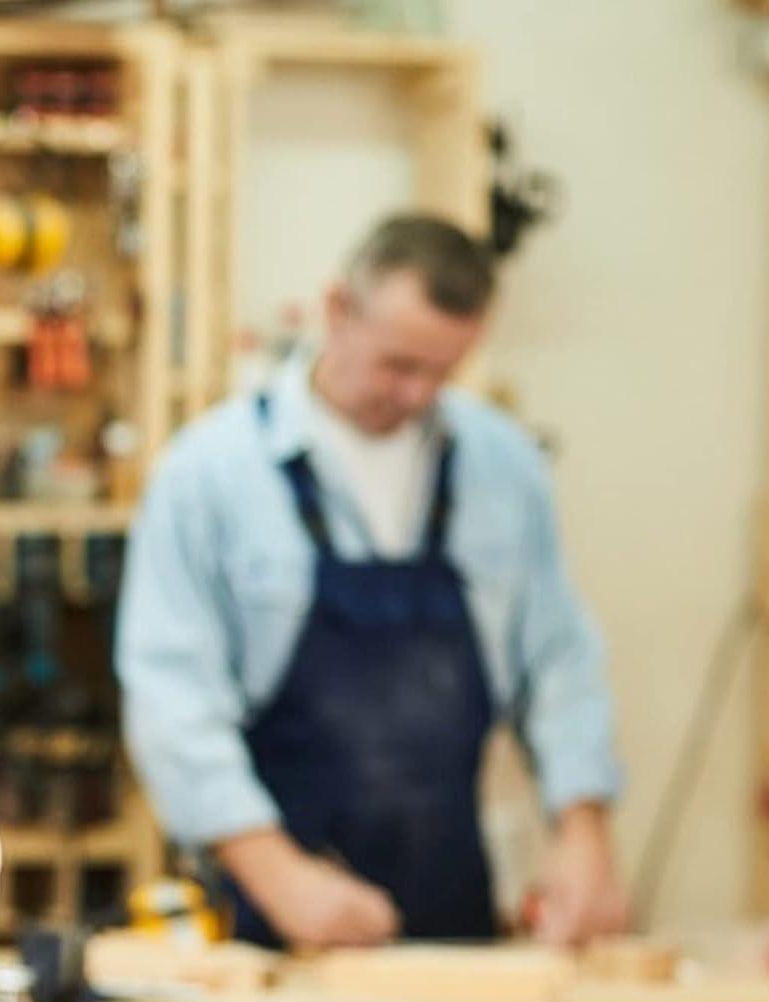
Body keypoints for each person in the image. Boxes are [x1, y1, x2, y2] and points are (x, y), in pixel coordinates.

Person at [117, 214, 626, 951]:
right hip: (265, 917)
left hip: (453, 903)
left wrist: (584, 831)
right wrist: (277, 873)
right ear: (336, 311)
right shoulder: (210, 474)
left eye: (442, 373)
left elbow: (559, 659)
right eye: (397, 364)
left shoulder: (505, 468)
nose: (417, 393)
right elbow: (172, 696)